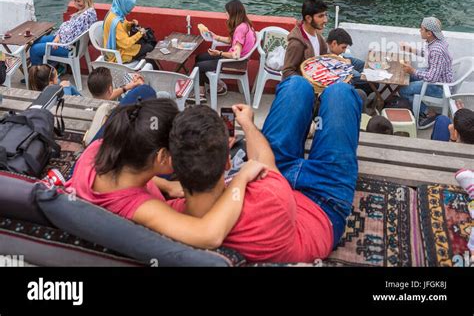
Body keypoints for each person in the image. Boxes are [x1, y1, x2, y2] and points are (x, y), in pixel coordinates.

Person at [169, 78, 362, 263]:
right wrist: (247, 123)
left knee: (296, 86)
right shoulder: (270, 197)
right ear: (228, 162)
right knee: (340, 92)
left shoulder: (173, 214)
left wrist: (166, 185)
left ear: (172, 164)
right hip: (322, 203)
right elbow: (262, 159)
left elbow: (141, 193)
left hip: (274, 177)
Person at [66, 98, 267, 245]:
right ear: (163, 157)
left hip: (106, 174)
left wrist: (168, 185)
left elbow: (129, 178)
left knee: (145, 93)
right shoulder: (145, 208)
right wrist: (241, 178)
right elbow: (210, 235)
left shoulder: (98, 150)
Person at [193, 0, 257, 101]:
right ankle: (217, 87)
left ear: (232, 13)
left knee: (199, 66)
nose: (225, 14)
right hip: (236, 60)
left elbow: (236, 55)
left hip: (234, 63)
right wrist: (215, 37)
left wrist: (219, 53)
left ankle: (201, 94)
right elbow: (233, 41)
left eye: (226, 12)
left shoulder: (240, 29)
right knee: (199, 57)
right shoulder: (245, 25)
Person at [399, 16, 453, 128]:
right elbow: (427, 54)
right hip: (436, 78)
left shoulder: (437, 50)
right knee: (407, 77)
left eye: (422, 29)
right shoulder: (435, 41)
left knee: (403, 90)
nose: (420, 30)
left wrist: (413, 70)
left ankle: (429, 113)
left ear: (429, 33)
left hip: (439, 87)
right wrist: (410, 49)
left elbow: (432, 78)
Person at [29, 0, 97, 67]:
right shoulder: (88, 12)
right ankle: (50, 68)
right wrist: (58, 36)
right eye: (75, 1)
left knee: (34, 49)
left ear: (86, 0)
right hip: (67, 42)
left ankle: (38, 76)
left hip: (68, 47)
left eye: (79, 1)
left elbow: (70, 34)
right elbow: (68, 26)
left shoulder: (85, 16)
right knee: (37, 41)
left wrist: (57, 38)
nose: (76, 3)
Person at [103, 0, 155, 66]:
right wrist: (140, 33)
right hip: (118, 53)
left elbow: (122, 26)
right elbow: (125, 44)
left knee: (144, 55)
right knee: (149, 47)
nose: (131, 8)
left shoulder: (114, 13)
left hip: (117, 47)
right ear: (124, 4)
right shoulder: (116, 22)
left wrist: (130, 24)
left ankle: (144, 68)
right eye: (130, 6)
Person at [282, 0, 329, 80]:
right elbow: (287, 72)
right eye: (321, 16)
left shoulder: (318, 35)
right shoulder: (296, 43)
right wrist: (308, 81)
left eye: (326, 15)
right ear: (308, 18)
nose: (325, 20)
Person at [87, 66, 156, 105]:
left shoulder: (90, 106)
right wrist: (140, 83)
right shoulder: (118, 108)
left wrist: (126, 87)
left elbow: (107, 96)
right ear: (110, 90)